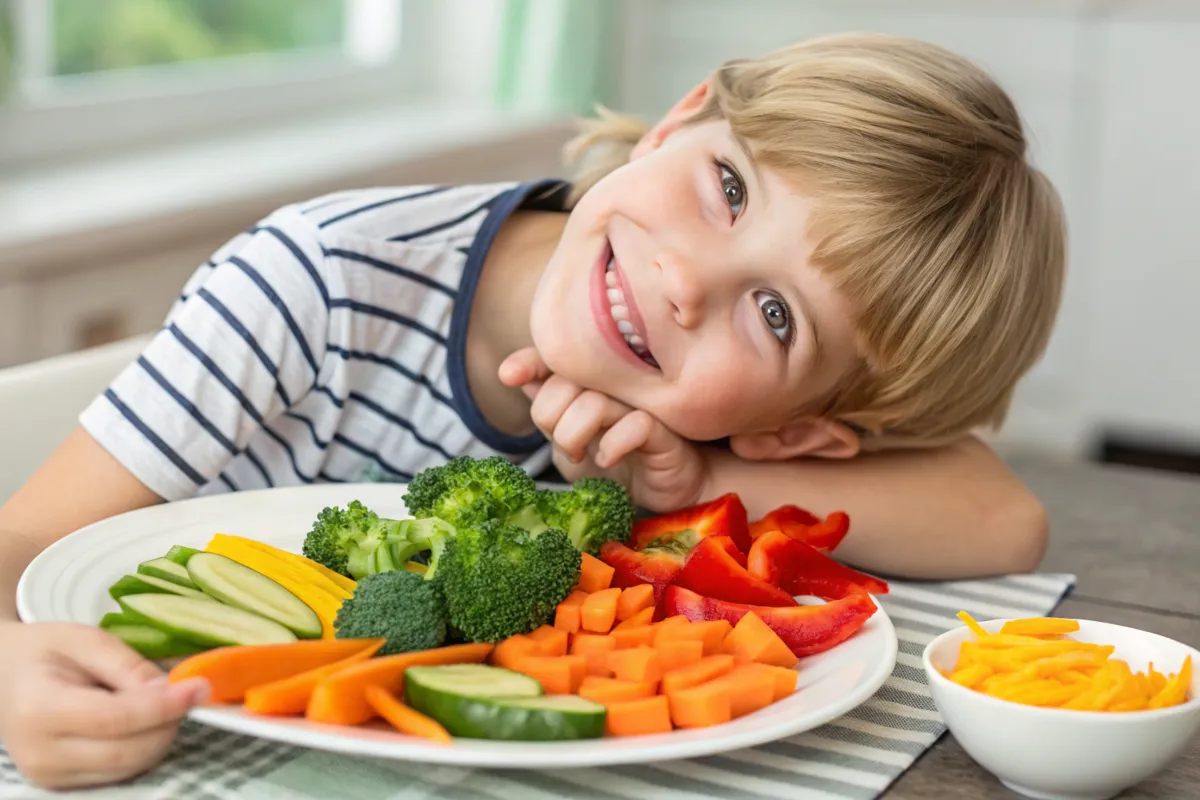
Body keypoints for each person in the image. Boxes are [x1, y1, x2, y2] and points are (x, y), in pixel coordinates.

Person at [0, 33, 1064, 789]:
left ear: (794, 427)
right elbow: (26, 543)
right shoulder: (314, 284)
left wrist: (696, 484)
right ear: (681, 119)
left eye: (776, 314)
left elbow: (1003, 518)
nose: (687, 278)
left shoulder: (692, 435)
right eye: (731, 188)